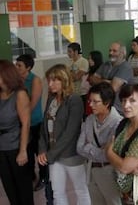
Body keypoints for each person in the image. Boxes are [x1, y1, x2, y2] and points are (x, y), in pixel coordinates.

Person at [38, 64, 91, 205]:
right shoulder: (51, 98)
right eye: (49, 80)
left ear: (65, 80)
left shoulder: (74, 100)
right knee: (57, 193)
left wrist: (50, 155)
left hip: (70, 154)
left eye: (55, 80)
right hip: (53, 155)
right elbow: (44, 126)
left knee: (81, 190)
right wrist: (42, 149)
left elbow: (70, 132)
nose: (50, 84)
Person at [77, 82, 122, 205]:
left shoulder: (118, 124)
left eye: (95, 101)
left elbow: (108, 155)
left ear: (107, 103)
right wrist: (100, 149)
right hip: (91, 170)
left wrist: (89, 147)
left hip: (109, 172)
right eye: (89, 101)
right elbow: (79, 147)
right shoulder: (90, 119)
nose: (90, 105)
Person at [0, 60, 33, 205]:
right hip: (1, 148)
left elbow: (26, 124)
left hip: (16, 146)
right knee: (9, 188)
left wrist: (23, 150)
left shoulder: (19, 94)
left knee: (23, 189)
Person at [15, 54, 47, 192]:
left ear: (28, 67)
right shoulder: (16, 82)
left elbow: (32, 104)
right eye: (16, 64)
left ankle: (44, 178)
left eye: (19, 65)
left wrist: (22, 115)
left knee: (39, 151)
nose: (16, 67)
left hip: (35, 123)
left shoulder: (35, 81)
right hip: (22, 124)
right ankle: (31, 176)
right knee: (26, 151)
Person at [89, 42, 133, 114]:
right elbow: (91, 79)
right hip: (104, 108)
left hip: (119, 110)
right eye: (110, 50)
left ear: (122, 53)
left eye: (114, 51)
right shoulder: (106, 64)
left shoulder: (125, 67)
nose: (111, 53)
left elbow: (113, 88)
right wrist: (107, 81)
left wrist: (99, 81)